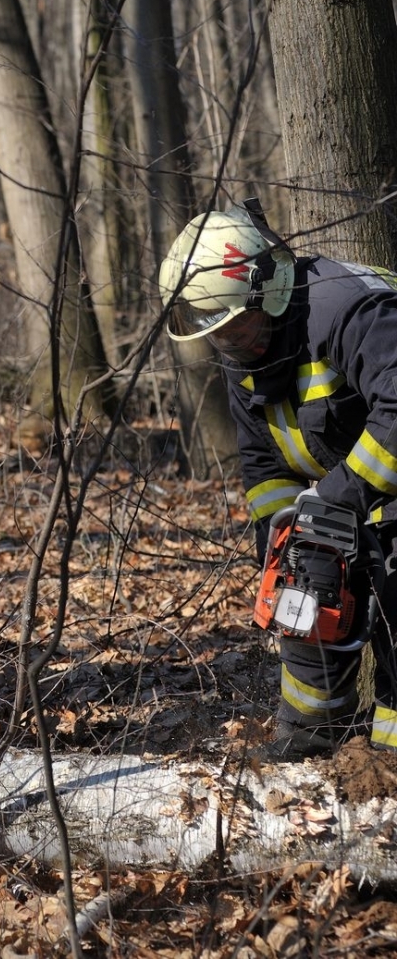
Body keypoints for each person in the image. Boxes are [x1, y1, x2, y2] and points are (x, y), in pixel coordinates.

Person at [158, 200, 397, 758]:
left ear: (268, 291)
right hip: (355, 495)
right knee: (303, 584)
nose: (231, 343)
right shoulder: (245, 351)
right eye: (218, 334)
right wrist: (284, 539)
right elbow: (263, 464)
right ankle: (312, 739)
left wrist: (338, 496)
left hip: (373, 488)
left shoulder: (347, 310)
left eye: (236, 326)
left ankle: (386, 768)